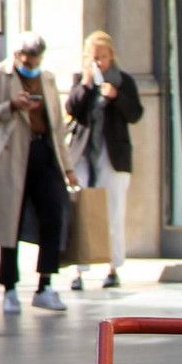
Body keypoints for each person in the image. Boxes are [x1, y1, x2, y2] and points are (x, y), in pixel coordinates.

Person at [0, 32, 76, 315]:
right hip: (11, 157)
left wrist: (68, 167)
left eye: (36, 59)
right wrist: (11, 106)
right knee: (11, 223)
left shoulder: (47, 79)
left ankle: (45, 284)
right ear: (17, 55)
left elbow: (56, 126)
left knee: (52, 216)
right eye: (26, 58)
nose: (31, 63)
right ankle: (9, 287)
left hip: (44, 152)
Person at [64, 30, 143, 291]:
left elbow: (135, 114)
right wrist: (86, 85)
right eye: (95, 57)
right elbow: (71, 108)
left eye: (104, 57)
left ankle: (113, 267)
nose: (99, 62)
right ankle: (79, 270)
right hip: (84, 154)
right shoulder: (82, 80)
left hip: (113, 156)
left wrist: (116, 97)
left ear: (112, 56)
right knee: (83, 210)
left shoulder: (123, 81)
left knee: (114, 210)